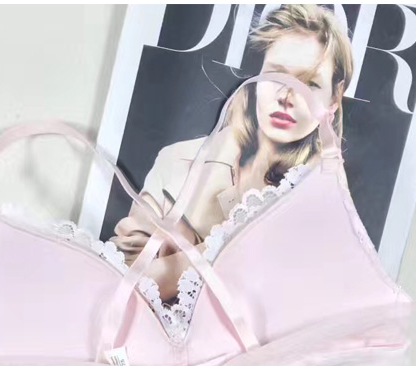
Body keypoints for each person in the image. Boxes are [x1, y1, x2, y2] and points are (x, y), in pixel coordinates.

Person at [110, 5, 354, 300]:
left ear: (334, 98)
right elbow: (121, 279)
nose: (286, 97)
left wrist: (176, 265)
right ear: (256, 76)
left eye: (310, 84)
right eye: (277, 75)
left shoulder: (325, 200)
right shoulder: (178, 159)